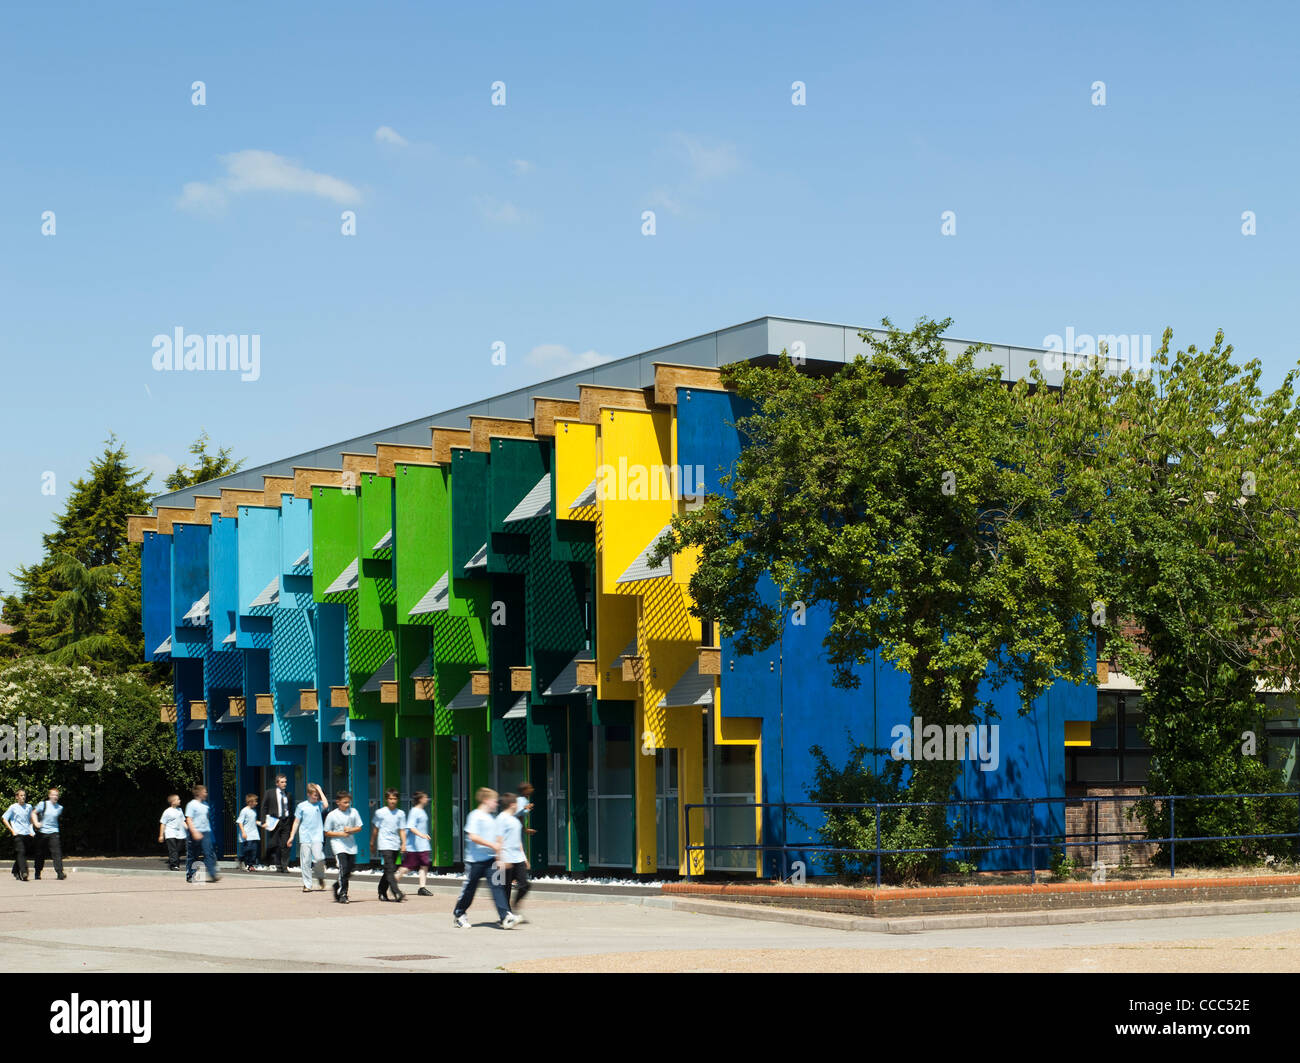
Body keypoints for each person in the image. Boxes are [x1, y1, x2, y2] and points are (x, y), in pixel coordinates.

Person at [452, 787, 515, 929]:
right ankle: (459, 913)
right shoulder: (475, 816)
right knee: (470, 889)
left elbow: (497, 842)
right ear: (486, 800)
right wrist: (492, 845)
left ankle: (505, 916)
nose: (496, 804)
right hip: (474, 861)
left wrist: (500, 858)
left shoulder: (492, 819)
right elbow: (472, 836)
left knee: (497, 887)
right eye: (494, 801)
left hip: (490, 860)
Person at [495, 792, 531, 922]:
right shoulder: (501, 818)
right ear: (512, 804)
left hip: (517, 858)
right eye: (517, 803)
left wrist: (524, 857)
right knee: (505, 889)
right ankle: (506, 914)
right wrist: (499, 859)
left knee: (525, 885)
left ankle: (514, 907)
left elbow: (518, 840)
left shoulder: (515, 819)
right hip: (506, 858)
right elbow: (498, 839)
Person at [324, 790, 363, 904]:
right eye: (345, 802)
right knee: (343, 868)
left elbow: (359, 827)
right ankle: (343, 894)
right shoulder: (332, 815)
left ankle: (337, 885)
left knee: (349, 870)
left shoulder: (354, 812)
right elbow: (326, 832)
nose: (347, 805)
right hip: (338, 845)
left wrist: (350, 830)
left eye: (348, 802)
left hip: (351, 846)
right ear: (338, 802)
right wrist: (340, 834)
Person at [287, 782, 328, 892]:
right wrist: (291, 836)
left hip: (317, 837)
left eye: (318, 795)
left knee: (319, 858)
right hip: (305, 837)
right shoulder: (301, 806)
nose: (317, 797)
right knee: (305, 862)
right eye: (315, 794)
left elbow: (326, 805)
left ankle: (320, 877)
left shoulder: (319, 805)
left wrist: (320, 790)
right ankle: (307, 885)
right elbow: (296, 822)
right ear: (308, 794)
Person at [372, 789, 407, 902]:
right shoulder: (380, 812)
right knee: (390, 868)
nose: (392, 801)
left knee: (390, 869)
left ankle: (382, 891)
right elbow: (376, 829)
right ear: (387, 799)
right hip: (384, 843)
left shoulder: (400, 813)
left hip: (395, 844)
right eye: (390, 799)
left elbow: (402, 830)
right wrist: (372, 843)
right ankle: (396, 891)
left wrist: (404, 844)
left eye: (395, 799)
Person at [393, 791, 432, 896]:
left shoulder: (422, 811)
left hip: (423, 846)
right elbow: (411, 827)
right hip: (414, 846)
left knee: (424, 865)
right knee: (406, 867)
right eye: (425, 797)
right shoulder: (414, 811)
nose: (427, 799)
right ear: (420, 799)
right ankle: (392, 883)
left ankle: (422, 888)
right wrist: (422, 835)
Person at [184, 784, 220, 883]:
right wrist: (194, 832)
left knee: (209, 853)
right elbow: (189, 819)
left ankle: (212, 874)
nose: (206, 793)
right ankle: (190, 874)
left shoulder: (206, 805)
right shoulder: (191, 804)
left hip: (205, 832)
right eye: (205, 792)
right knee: (193, 855)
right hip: (194, 832)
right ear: (199, 793)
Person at [32, 787, 66, 880]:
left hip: (54, 832)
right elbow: (33, 813)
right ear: (49, 796)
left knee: (57, 852)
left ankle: (60, 872)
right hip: (42, 832)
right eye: (53, 795)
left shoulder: (60, 808)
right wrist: (36, 823)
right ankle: (37, 872)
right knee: (40, 853)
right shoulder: (43, 804)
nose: (55, 797)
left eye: (57, 795)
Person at [262, 774, 293, 873]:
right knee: (274, 844)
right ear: (277, 783)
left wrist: (291, 822)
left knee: (285, 845)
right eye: (282, 782)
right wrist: (263, 821)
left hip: (286, 822)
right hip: (274, 821)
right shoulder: (269, 793)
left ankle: (284, 866)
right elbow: (264, 807)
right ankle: (271, 860)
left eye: (285, 782)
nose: (285, 784)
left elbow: (290, 809)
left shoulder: (288, 794)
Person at [3, 789, 34, 882]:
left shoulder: (29, 807)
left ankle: (15, 871)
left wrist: (31, 830)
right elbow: (4, 818)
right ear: (17, 797)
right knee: (21, 851)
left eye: (24, 795)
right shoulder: (13, 807)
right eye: (21, 795)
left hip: (27, 833)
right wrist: (12, 830)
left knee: (22, 854)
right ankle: (24, 872)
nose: (23, 797)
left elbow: (31, 819)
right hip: (17, 834)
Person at [159, 794, 187, 870]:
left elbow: (183, 821)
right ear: (173, 802)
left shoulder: (180, 810)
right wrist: (161, 835)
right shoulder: (167, 811)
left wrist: (188, 829)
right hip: (170, 833)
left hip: (180, 834)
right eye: (178, 799)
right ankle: (174, 865)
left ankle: (173, 860)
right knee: (173, 850)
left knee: (179, 849)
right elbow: (163, 823)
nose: (180, 800)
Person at [235, 794, 261, 872]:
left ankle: (250, 865)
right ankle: (241, 859)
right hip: (247, 834)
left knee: (254, 850)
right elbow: (240, 822)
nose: (256, 803)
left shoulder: (254, 811)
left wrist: (261, 823)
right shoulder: (244, 811)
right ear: (250, 802)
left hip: (254, 834)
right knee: (247, 849)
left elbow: (254, 821)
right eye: (255, 801)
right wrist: (243, 832)